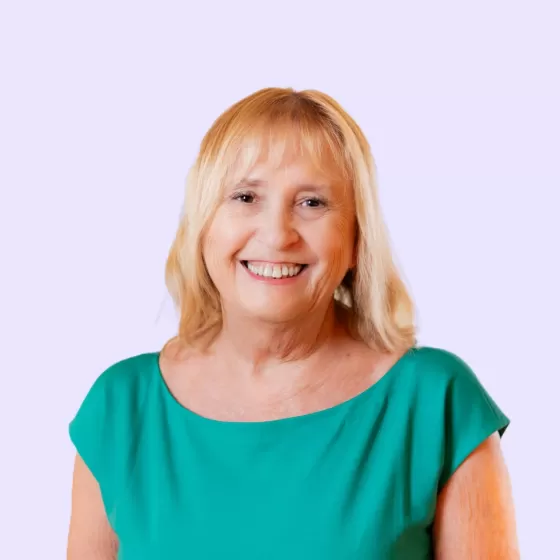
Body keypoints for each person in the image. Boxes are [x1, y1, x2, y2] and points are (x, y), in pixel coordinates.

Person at [67, 87, 519, 559]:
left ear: (356, 238)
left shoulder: (435, 404)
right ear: (202, 227)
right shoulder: (119, 410)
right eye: (245, 196)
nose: (278, 235)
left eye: (312, 203)